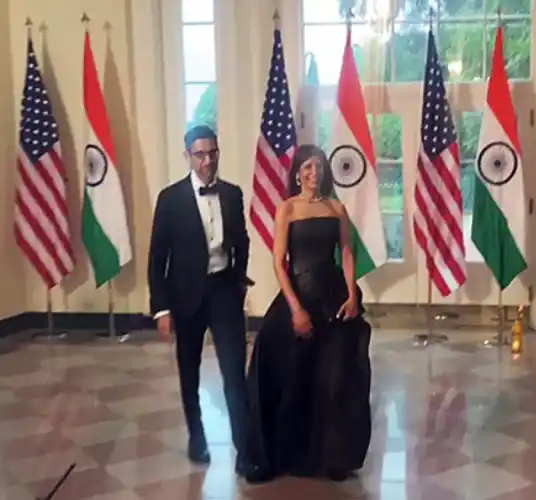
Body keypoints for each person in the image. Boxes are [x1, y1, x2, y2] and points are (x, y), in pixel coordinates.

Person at [245, 144, 372, 483]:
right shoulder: (287, 209)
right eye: (307, 167)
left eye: (318, 166)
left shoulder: (336, 207)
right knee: (285, 369)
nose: (313, 173)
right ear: (297, 172)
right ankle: (282, 452)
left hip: (333, 296)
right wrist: (295, 308)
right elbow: (278, 261)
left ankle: (333, 455)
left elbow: (345, 252)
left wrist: (351, 295)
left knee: (335, 378)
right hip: (299, 293)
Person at [147, 125, 254, 480]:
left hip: (224, 292)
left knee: (234, 375)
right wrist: (161, 308)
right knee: (189, 372)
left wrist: (239, 281)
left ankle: (245, 449)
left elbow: (242, 241)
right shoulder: (170, 198)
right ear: (188, 156)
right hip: (185, 298)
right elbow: (157, 257)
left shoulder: (232, 194)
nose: (207, 161)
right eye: (200, 154)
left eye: (212, 153)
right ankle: (197, 436)